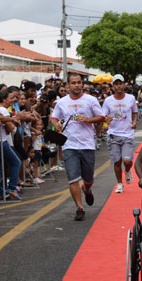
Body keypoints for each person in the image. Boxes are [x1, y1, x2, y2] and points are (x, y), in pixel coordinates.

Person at [50, 73, 105, 221]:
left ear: (82, 84)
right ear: (68, 86)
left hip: (87, 144)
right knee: (73, 178)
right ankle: (79, 208)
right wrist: (57, 125)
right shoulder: (62, 102)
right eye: (73, 83)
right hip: (69, 145)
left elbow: (101, 117)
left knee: (88, 178)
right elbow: (54, 117)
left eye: (79, 82)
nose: (76, 85)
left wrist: (87, 120)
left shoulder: (91, 100)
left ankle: (87, 189)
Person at [102, 74, 138, 194]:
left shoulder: (131, 98)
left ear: (124, 84)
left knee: (127, 161)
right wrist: (106, 121)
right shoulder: (108, 101)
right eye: (116, 84)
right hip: (113, 134)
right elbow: (104, 116)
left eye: (120, 83)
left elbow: (135, 112)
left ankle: (127, 170)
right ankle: (120, 183)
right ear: (113, 86)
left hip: (127, 134)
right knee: (117, 161)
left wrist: (134, 121)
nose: (118, 86)